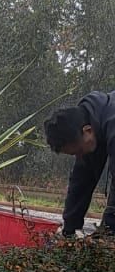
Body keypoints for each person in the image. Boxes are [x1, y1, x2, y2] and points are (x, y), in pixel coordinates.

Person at [44, 96, 115, 235]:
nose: (79, 157)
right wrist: (69, 230)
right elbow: (81, 181)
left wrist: (107, 230)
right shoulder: (92, 125)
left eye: (79, 151)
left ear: (87, 131)